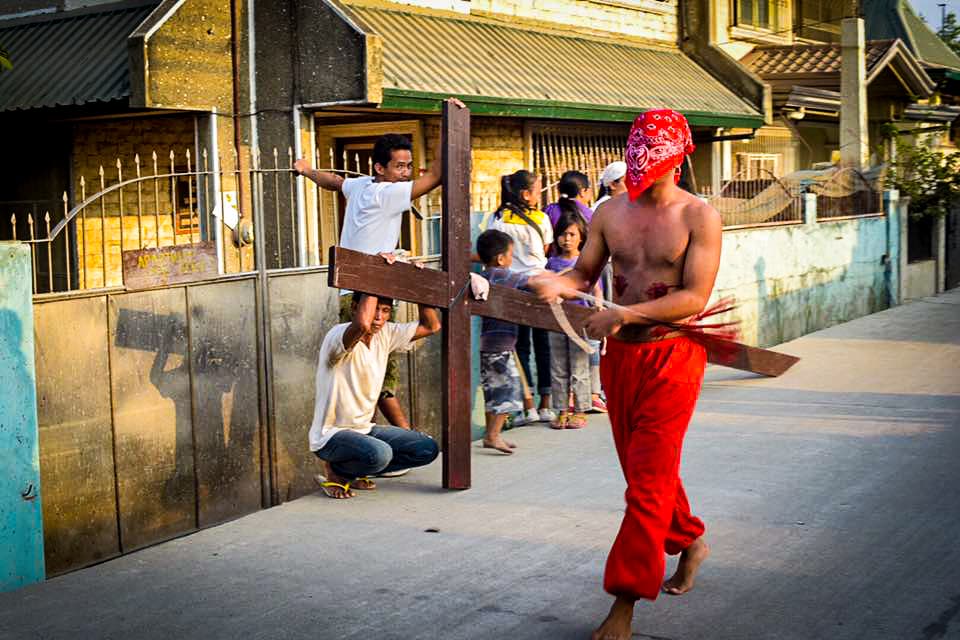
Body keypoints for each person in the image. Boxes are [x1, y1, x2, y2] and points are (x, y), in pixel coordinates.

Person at [530, 109, 721, 640]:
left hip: (673, 355)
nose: (644, 174)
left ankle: (626, 600)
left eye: (655, 163)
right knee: (644, 475)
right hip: (622, 359)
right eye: (639, 162)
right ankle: (690, 539)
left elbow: (694, 297)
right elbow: (583, 274)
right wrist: (555, 282)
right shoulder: (611, 212)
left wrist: (627, 315)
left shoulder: (698, 216)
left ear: (679, 159)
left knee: (646, 484)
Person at [293, 108, 462, 435]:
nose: (405, 173)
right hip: (366, 292)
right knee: (377, 374)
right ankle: (403, 440)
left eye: (408, 166)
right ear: (379, 168)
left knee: (376, 371)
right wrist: (444, 123)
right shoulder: (386, 193)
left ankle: (397, 438)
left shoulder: (362, 187)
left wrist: (307, 171)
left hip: (358, 291)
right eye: (399, 166)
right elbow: (438, 175)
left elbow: (336, 183)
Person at [308, 292, 442, 499]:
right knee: (380, 454)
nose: (378, 317)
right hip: (331, 436)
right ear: (355, 308)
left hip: (364, 430)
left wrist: (418, 286)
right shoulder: (338, 335)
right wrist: (371, 280)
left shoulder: (385, 333)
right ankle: (337, 473)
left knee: (426, 449)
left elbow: (432, 326)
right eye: (374, 309)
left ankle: (356, 470)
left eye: (385, 311)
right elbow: (362, 325)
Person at [490, 169, 555, 425]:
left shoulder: (499, 218)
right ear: (526, 194)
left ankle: (528, 408)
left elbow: (495, 251)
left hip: (512, 287)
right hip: (540, 285)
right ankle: (546, 404)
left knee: (521, 348)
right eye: (537, 190)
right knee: (543, 346)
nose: (539, 195)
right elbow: (546, 249)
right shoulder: (541, 218)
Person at [475, 229, 529, 454]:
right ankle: (493, 435)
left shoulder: (484, 276)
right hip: (501, 345)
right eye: (510, 255)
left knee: (492, 390)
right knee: (507, 391)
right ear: (500, 259)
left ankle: (491, 434)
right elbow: (529, 281)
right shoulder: (503, 276)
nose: (511, 260)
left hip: (488, 343)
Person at [544, 212, 598, 430]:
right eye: (562, 234)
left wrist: (599, 304)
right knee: (557, 367)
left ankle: (580, 410)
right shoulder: (550, 263)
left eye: (571, 234)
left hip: (578, 321)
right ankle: (561, 410)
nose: (566, 239)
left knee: (579, 366)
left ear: (581, 237)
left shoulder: (584, 262)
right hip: (555, 320)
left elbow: (595, 287)